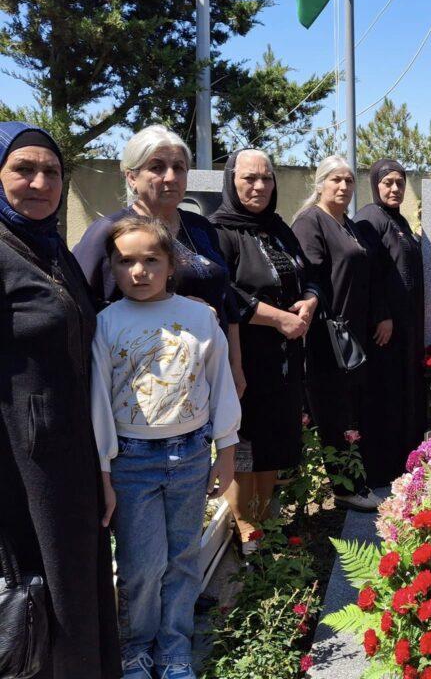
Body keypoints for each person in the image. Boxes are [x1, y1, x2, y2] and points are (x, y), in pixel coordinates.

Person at [90, 216, 240, 679]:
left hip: (190, 455)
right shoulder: (106, 323)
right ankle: (137, 647)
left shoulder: (200, 318)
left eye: (151, 260)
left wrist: (226, 450)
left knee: (182, 559)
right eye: (126, 261)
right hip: (131, 461)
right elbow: (98, 400)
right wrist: (104, 472)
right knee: (141, 564)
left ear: (172, 265)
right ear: (112, 267)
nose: (139, 271)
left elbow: (220, 384)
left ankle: (175, 648)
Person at [0, 121, 120, 678]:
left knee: (77, 584)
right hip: (21, 467)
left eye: (51, 171)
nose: (40, 183)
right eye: (23, 169)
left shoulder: (51, 251)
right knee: (39, 593)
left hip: (71, 454)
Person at [74, 124, 245, 397]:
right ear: (132, 177)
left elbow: (226, 301)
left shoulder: (200, 227)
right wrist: (175, 307)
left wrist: (234, 365)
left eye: (179, 168)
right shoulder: (110, 232)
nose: (171, 177)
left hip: (208, 373)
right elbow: (82, 309)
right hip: (145, 384)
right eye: (157, 167)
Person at [210, 149, 318, 548]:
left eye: (266, 178)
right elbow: (223, 290)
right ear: (231, 181)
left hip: (285, 356)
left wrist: (310, 300)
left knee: (276, 434)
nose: (259, 186)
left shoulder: (278, 228)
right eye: (249, 178)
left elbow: (309, 273)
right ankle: (243, 522)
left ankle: (264, 513)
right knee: (245, 438)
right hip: (245, 354)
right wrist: (277, 319)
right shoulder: (219, 231)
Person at [292, 156, 392, 509]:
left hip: (354, 334)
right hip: (326, 335)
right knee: (334, 410)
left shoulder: (348, 224)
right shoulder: (311, 222)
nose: (344, 186)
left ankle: (355, 480)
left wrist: (380, 315)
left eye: (349, 180)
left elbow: (368, 275)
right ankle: (347, 488)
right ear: (320, 183)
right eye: (336, 179)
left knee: (351, 407)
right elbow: (311, 277)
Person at [354, 159, 426, 479]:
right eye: (388, 183)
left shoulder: (398, 220)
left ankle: (402, 463)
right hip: (385, 331)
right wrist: (381, 314)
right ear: (375, 185)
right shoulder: (370, 218)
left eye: (400, 182)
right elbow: (366, 272)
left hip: (404, 328)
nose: (395, 188)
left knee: (401, 393)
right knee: (383, 394)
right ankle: (380, 469)